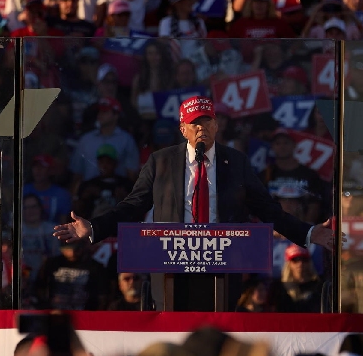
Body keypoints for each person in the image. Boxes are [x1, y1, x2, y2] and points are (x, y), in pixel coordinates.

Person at [54, 97, 337, 312]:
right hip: (170, 262)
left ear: (216, 125)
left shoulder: (236, 162)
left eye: (207, 121)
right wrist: (93, 227)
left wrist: (309, 233)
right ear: (183, 128)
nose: (201, 127)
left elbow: (268, 209)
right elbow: (132, 205)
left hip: (221, 262)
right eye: (194, 123)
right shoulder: (161, 162)